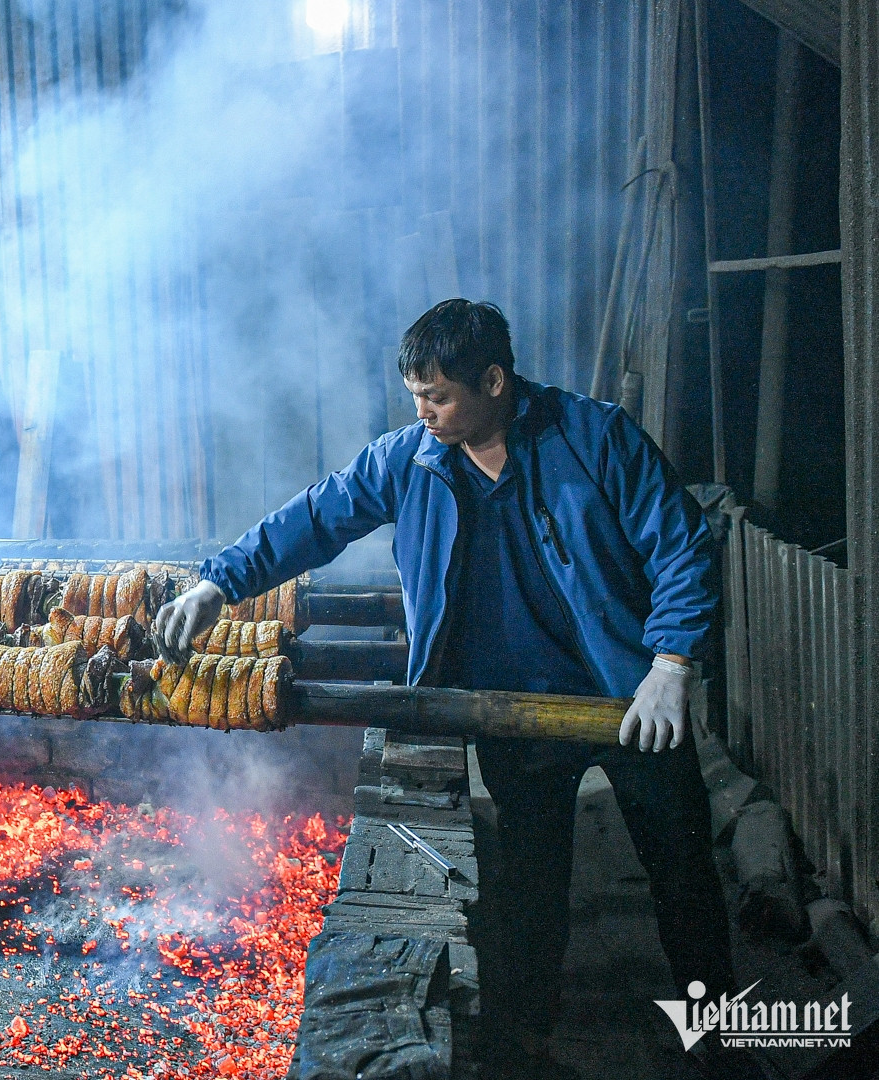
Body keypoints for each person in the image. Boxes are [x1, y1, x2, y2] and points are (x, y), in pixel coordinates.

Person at [154, 300, 741, 1079]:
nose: (423, 413)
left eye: (437, 396)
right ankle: (531, 1041)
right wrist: (217, 585)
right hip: (513, 715)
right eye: (414, 398)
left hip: (629, 703)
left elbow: (680, 546)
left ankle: (724, 1040)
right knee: (531, 892)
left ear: (494, 380)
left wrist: (671, 664)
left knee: (684, 876)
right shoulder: (410, 459)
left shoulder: (595, 438)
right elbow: (314, 519)